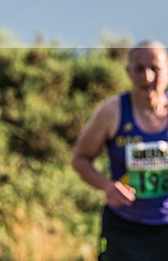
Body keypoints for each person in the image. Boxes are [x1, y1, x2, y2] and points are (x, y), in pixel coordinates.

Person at [72, 40, 168, 260]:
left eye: (155, 68)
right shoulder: (112, 111)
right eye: (139, 69)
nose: (148, 77)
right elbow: (80, 159)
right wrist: (107, 186)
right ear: (128, 72)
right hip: (124, 231)